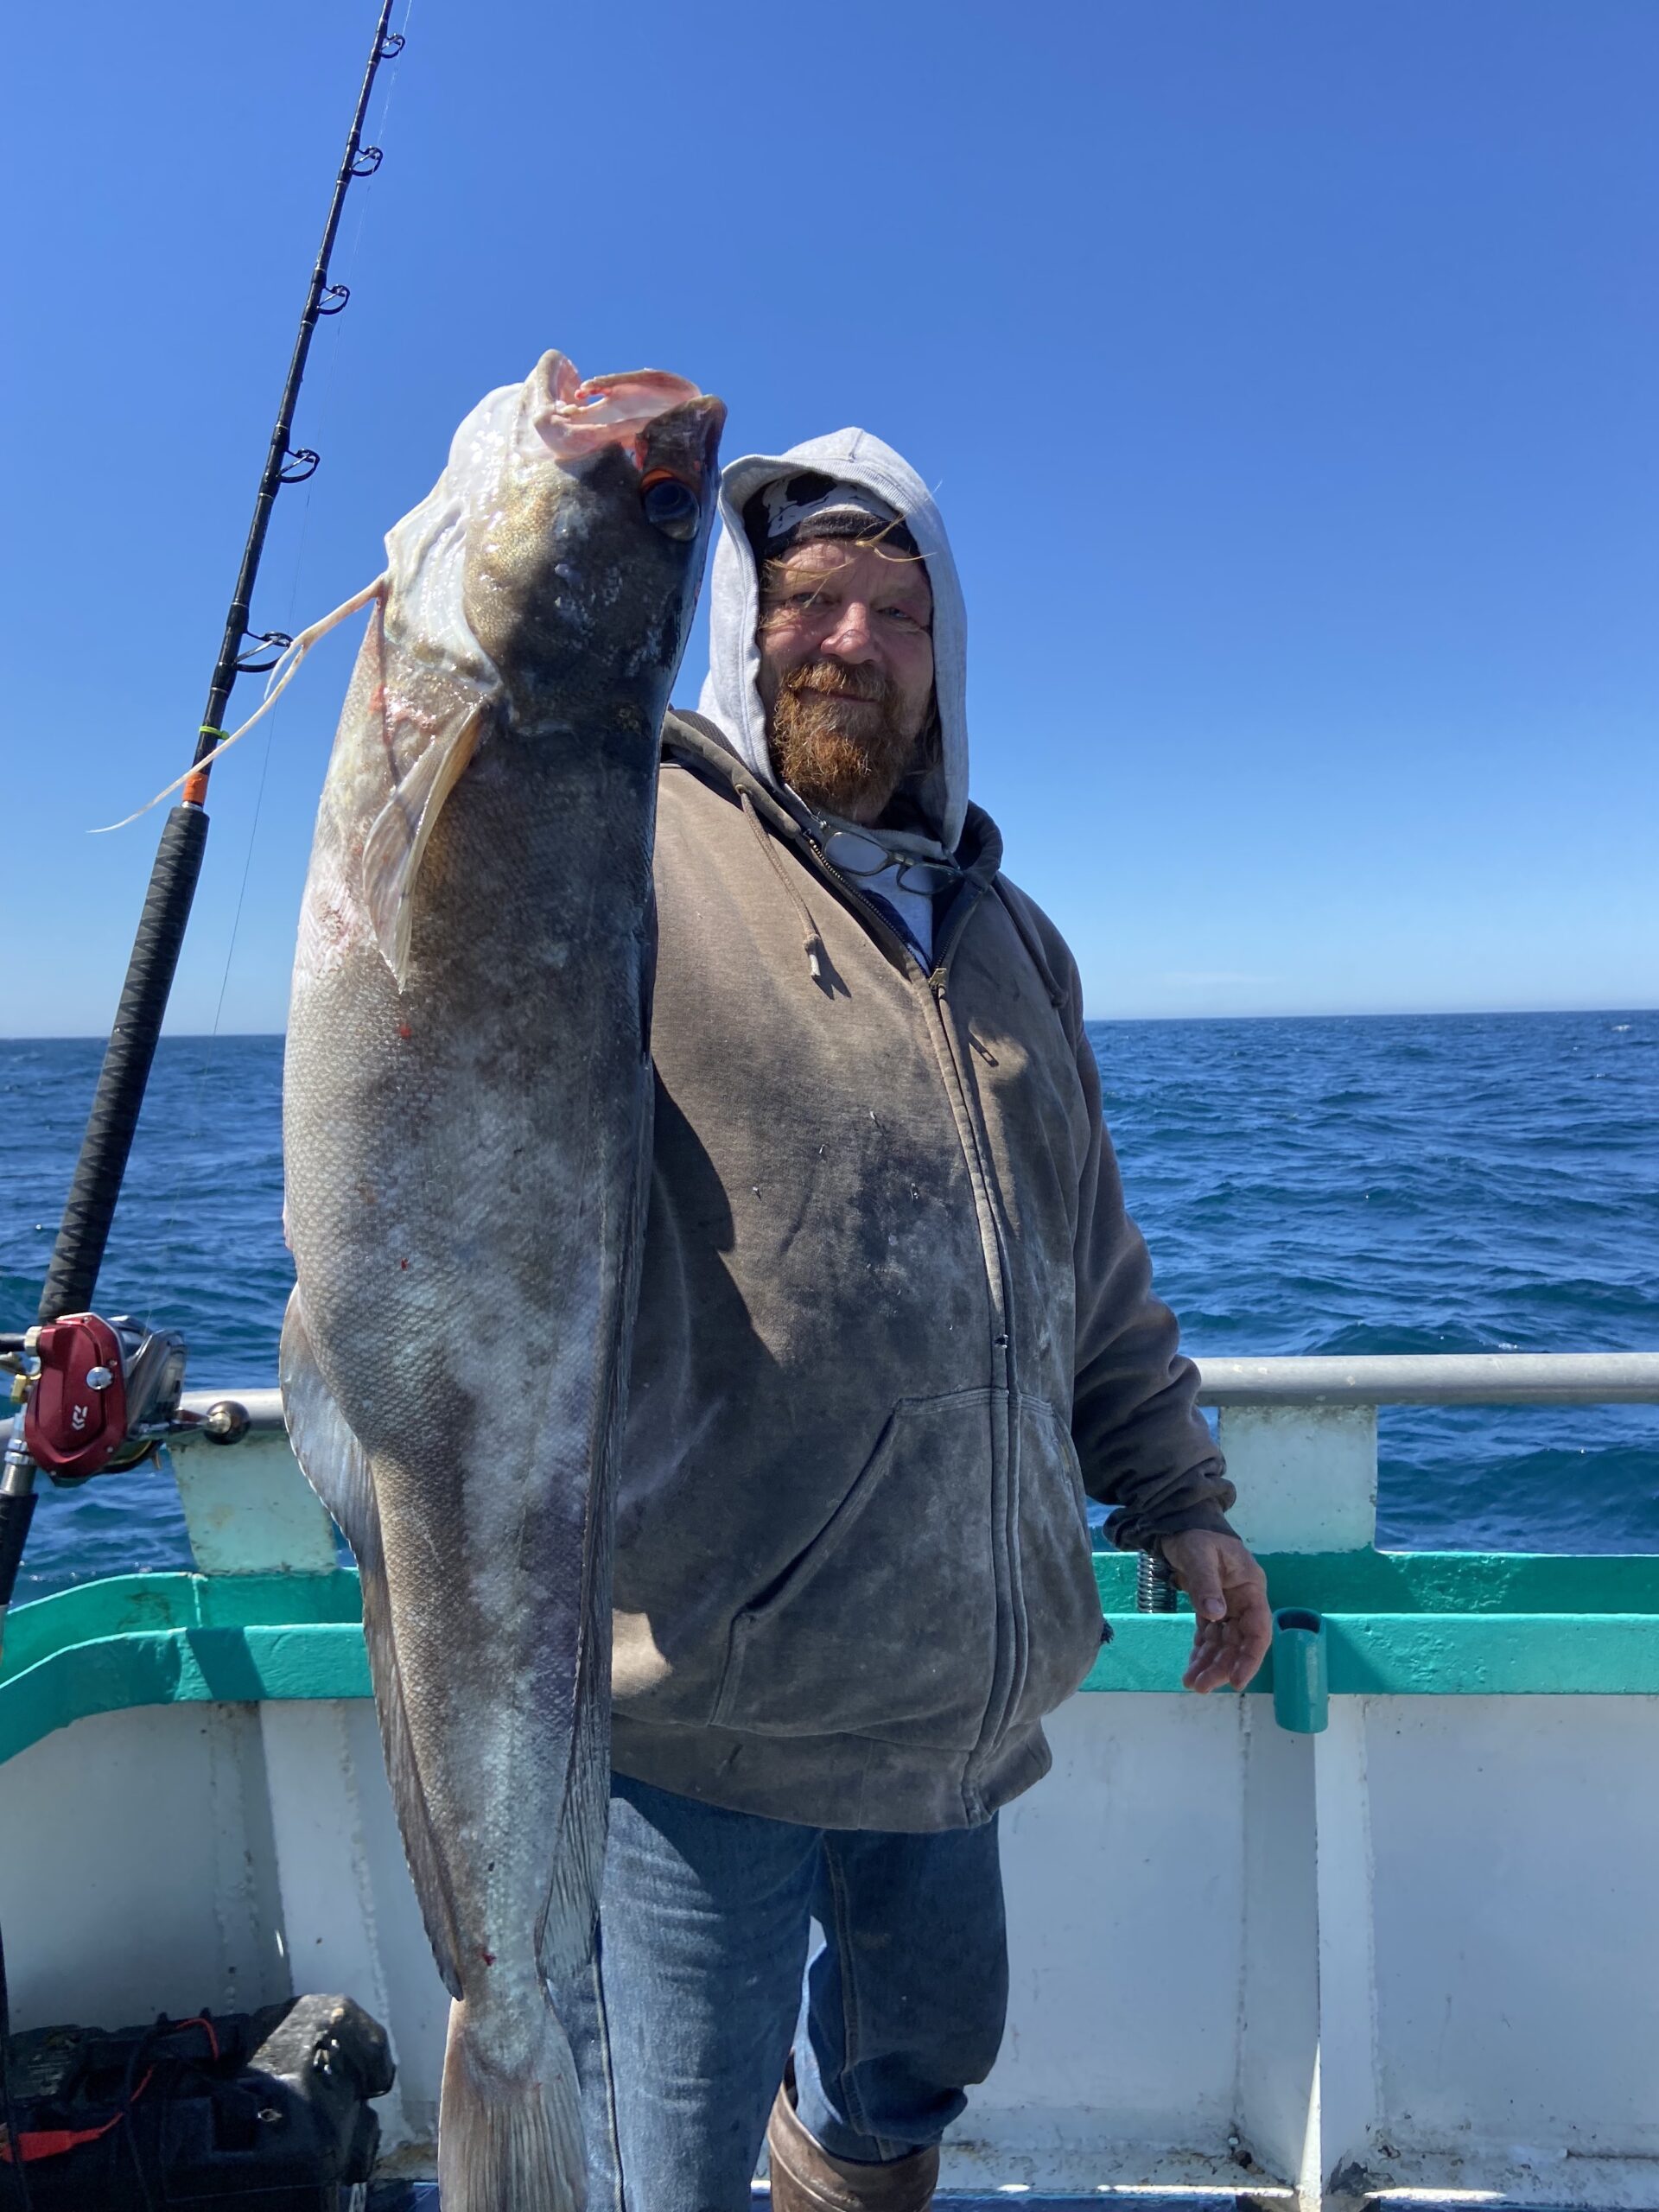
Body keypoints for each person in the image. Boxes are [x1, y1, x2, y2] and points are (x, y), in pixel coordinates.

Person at [556, 430, 1273, 2211]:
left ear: (946, 660)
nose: (851, 641)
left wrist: (1179, 1492)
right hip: (705, 1690)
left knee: (916, 2059)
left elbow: (1087, 1254)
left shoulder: (1015, 933)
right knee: (671, 2145)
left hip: (957, 1673)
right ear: (746, 623)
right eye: (809, 599)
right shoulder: (623, 857)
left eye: (897, 608)